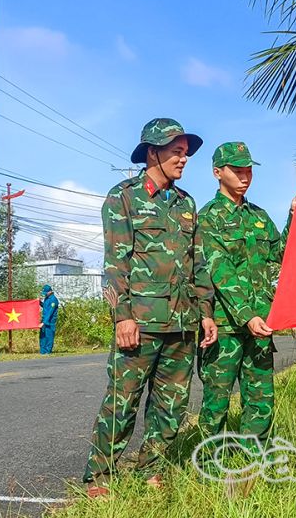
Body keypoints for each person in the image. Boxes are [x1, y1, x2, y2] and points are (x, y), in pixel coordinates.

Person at [82, 118, 218, 496]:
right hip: (140, 323)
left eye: (186, 152)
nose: (184, 158)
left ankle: (151, 470)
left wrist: (205, 311)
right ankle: (99, 476)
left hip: (182, 324)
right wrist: (122, 316)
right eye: (176, 151)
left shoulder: (186, 203)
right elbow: (115, 265)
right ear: (152, 152)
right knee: (122, 403)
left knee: (171, 406)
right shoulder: (123, 197)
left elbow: (197, 262)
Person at [197, 142, 294, 451]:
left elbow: (282, 255)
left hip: (261, 324)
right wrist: (246, 314)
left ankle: (256, 462)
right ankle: (207, 465)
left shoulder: (260, 217)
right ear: (217, 173)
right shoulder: (208, 218)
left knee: (260, 400)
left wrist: (295, 217)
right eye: (237, 170)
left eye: (248, 170)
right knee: (217, 403)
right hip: (227, 327)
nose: (245, 176)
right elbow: (219, 271)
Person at [38, 284, 59, 355]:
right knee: (42, 336)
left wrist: (44, 323)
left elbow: (50, 312)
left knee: (49, 336)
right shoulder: (47, 298)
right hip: (44, 320)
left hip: (50, 322)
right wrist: (39, 302)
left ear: (50, 291)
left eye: (45, 293)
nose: (44, 294)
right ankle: (42, 351)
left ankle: (48, 351)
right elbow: (45, 307)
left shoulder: (53, 300)